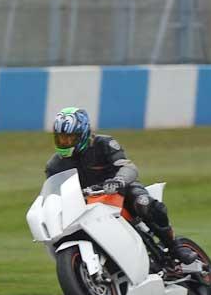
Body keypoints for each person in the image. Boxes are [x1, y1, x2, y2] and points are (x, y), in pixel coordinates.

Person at [45, 107, 198, 266]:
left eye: (70, 138)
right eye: (61, 138)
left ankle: (174, 247)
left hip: (120, 190)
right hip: (87, 203)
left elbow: (128, 167)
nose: (65, 142)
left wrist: (119, 180)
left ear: (83, 134)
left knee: (143, 203)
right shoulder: (55, 164)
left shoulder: (104, 144)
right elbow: (54, 192)